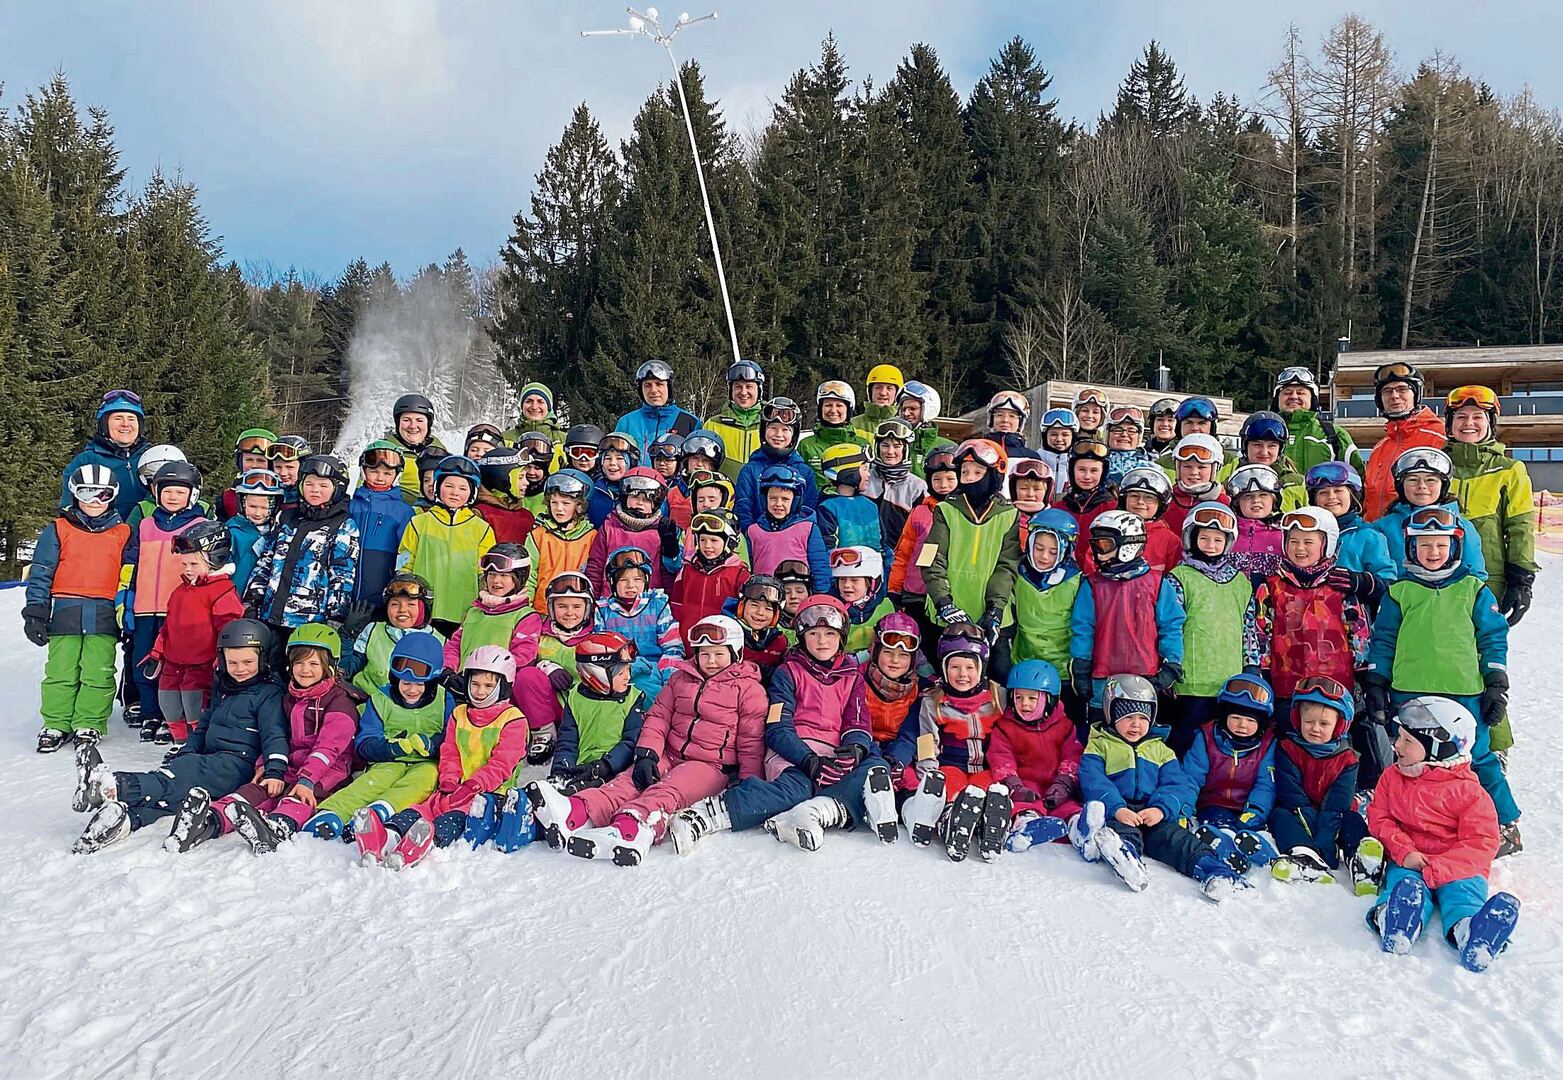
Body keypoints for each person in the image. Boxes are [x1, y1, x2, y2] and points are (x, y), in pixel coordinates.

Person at [668, 595, 895, 854]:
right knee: (797, 788)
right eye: (814, 634)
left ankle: (816, 812)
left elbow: (858, 720)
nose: (822, 641)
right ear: (802, 636)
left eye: (830, 634)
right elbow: (777, 728)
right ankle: (706, 815)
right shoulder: (788, 673)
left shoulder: (851, 677)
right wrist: (808, 760)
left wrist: (854, 749)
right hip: (794, 754)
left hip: (832, 753)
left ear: (841, 637)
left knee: (875, 766)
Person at [534, 616, 766, 865]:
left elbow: (751, 743)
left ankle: (633, 828)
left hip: (710, 765)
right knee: (627, 781)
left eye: (718, 654)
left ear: (736, 653)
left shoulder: (749, 690)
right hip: (670, 752)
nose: (710, 661)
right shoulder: (680, 679)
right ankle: (578, 812)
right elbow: (658, 718)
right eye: (704, 653)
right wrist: (647, 754)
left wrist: (748, 784)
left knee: (666, 790)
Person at [1362, 506, 1521, 854]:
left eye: (1440, 545)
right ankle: (1411, 823)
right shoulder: (1400, 592)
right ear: (1410, 548)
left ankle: (1504, 823)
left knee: (1476, 758)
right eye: (1423, 545)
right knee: (1409, 760)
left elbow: (1493, 637)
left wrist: (1496, 681)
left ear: (1455, 547)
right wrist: (1376, 681)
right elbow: (1384, 639)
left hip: (1464, 693)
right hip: (1410, 691)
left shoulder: (1473, 589)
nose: (1432, 553)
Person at [70, 619, 287, 854]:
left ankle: (112, 786)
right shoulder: (225, 687)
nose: (240, 669)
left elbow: (275, 734)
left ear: (263, 659)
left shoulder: (268, 694)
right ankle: (125, 820)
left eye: (247, 662)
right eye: (232, 662)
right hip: (209, 759)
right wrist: (187, 750)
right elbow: (203, 727)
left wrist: (275, 771)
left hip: (236, 766)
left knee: (173, 778)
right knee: (172, 794)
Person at [1366, 697, 1519, 973]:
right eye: (1398, 737)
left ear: (1438, 748)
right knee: (1403, 886)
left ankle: (1472, 932)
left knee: (1464, 894)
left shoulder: (1470, 793)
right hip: (1411, 858)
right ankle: (1394, 920)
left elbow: (1481, 843)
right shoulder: (1391, 777)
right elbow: (1380, 817)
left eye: (1407, 741)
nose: (1397, 745)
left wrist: (1440, 869)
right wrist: (1404, 852)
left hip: (1457, 865)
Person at [1073, 675, 1248, 900]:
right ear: (1111, 714)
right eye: (1127, 717)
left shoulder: (1161, 750)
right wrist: (1117, 808)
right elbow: (1093, 780)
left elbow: (1177, 784)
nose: (1136, 724)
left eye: (1142, 718)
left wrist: (1161, 809)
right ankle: (1126, 858)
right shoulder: (1099, 745)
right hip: (1119, 812)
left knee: (1179, 841)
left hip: (1152, 813)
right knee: (1123, 833)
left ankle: (1213, 871)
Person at [354, 646, 529, 869]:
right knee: (422, 809)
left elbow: (503, 763)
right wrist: (449, 779)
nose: (480, 692)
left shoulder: (513, 719)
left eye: (488, 686)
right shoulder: (460, 713)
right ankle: (388, 836)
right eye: (475, 684)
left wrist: (474, 785)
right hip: (452, 788)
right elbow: (450, 750)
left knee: (454, 817)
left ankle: (425, 842)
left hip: (489, 794)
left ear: (503, 687)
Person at [197, 623, 359, 854]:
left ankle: (278, 825)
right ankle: (213, 819)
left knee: (299, 797)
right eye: (299, 663)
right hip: (292, 762)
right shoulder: (289, 698)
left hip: (327, 770)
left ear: (330, 666)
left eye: (314, 664)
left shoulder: (340, 703)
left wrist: (307, 781)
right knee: (258, 789)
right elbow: (277, 736)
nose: (305, 670)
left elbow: (329, 748)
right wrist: (266, 765)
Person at [1445, 385, 1539, 759]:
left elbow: (1519, 525)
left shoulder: (1509, 469)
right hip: (1440, 576)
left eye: (1477, 418)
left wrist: (1521, 577)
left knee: (1487, 658)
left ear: (1490, 424)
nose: (1469, 424)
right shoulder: (1436, 463)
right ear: (1450, 423)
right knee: (1447, 655)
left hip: (1489, 580)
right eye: (1461, 418)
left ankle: (1492, 745)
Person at [25, 464, 132, 751]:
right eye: (87, 493)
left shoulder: (123, 533)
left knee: (98, 669)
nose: (95, 501)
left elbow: (130, 576)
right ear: (74, 494)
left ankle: (89, 721)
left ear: (113, 496)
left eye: (103, 494)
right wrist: (35, 610)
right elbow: (41, 571)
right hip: (65, 608)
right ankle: (57, 722)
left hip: (104, 609)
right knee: (62, 669)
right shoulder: (58, 530)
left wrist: (128, 611)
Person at [304, 632, 449, 840]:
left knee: (423, 780)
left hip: (427, 762)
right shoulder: (382, 699)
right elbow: (364, 743)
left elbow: (452, 736)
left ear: (432, 681)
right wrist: (391, 748)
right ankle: (332, 813)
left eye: (419, 684)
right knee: (375, 780)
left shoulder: (445, 700)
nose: (411, 690)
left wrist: (433, 745)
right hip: (388, 760)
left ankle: (379, 811)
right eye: (405, 683)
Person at [897, 625, 1012, 863]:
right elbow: (927, 742)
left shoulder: (998, 697)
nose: (962, 674)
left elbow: (1011, 736)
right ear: (944, 668)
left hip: (985, 768)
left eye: (970, 667)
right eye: (954, 667)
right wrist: (927, 777)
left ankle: (990, 825)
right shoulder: (933, 701)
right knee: (951, 787)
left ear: (981, 669)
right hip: (950, 766)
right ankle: (950, 819)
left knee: (990, 788)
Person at [1246, 508, 1372, 724]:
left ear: (1327, 544)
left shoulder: (1340, 587)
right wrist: (1261, 671)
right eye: (1293, 541)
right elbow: (1260, 632)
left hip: (1334, 689)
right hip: (1286, 687)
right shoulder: (1272, 587)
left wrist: (1363, 675)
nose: (1299, 548)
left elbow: (1359, 635)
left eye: (1308, 542)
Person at [1268, 676, 1385, 895]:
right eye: (1309, 722)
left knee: (1353, 819)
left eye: (1324, 724)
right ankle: (1303, 853)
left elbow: (1338, 802)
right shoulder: (1288, 749)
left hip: (1334, 815)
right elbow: (1290, 792)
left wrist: (1327, 841)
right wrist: (1312, 830)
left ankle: (1361, 859)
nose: (1315, 729)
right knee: (1280, 816)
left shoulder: (1348, 759)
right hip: (1299, 811)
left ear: (1338, 726)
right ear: (1298, 720)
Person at [443, 544, 559, 763]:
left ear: (519, 579)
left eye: (505, 576)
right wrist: (449, 670)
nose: (496, 582)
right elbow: (454, 644)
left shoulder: (526, 616)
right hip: (466, 686)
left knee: (528, 676)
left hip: (499, 688)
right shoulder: (475, 612)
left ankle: (540, 730)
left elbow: (524, 654)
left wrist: (489, 673)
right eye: (492, 575)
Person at [1068, 511, 1185, 722]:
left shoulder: (1156, 583)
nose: (1097, 551)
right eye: (1095, 544)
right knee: (1101, 734)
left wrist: (1171, 663)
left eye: (1104, 545)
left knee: (1138, 730)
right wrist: (1081, 664)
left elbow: (1171, 626)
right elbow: (1083, 628)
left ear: (1127, 546)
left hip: (1145, 677)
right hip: (1102, 678)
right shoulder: (1093, 584)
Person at [121, 461, 207, 737]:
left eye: (180, 492)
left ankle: (176, 718)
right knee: (144, 661)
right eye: (166, 490)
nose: (172, 496)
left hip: (180, 611)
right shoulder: (145, 526)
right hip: (145, 606)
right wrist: (126, 599)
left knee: (176, 666)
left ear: (192, 495)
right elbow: (130, 565)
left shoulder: (199, 526)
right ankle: (150, 713)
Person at [142, 521, 245, 749]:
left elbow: (228, 629)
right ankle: (180, 742)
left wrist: (225, 657)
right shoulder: (180, 591)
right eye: (184, 563)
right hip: (173, 661)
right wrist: (157, 654)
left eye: (194, 564)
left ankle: (196, 742)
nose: (187, 569)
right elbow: (167, 628)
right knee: (168, 702)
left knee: (193, 703)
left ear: (214, 559)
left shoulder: (221, 591)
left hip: (201, 663)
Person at [1165, 502, 1253, 757]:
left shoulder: (1240, 581)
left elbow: (1248, 628)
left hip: (1229, 681)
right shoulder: (1179, 577)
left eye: (1218, 539)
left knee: (1220, 744)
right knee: (1185, 740)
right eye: (1204, 538)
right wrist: (1169, 664)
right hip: (1190, 682)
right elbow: (1169, 625)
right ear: (1192, 538)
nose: (1211, 545)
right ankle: (1178, 790)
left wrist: (1251, 665)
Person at [244, 455, 360, 637]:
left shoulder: (343, 525)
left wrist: (336, 616)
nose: (315, 490)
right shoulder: (287, 518)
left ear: (337, 489)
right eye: (309, 484)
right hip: (269, 615)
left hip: (308, 622)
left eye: (323, 486)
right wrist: (252, 600)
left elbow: (342, 574)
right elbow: (267, 561)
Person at [922, 439, 1021, 651]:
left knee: (996, 673)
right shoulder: (945, 511)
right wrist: (943, 602)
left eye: (978, 473)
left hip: (990, 614)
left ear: (994, 475)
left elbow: (1006, 566)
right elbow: (930, 559)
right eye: (965, 473)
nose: (970, 479)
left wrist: (995, 609)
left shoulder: (1009, 515)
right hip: (946, 613)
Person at [1179, 673, 1280, 872]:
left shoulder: (1267, 746)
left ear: (1261, 723)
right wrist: (1183, 810)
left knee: (1252, 827)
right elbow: (1190, 778)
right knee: (1217, 819)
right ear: (1224, 717)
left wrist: (1255, 812)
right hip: (1213, 803)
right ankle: (1222, 842)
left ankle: (1262, 851)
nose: (1243, 725)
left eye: (1250, 721)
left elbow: (1266, 785)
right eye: (1236, 718)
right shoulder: (1206, 739)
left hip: (1248, 807)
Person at [989, 660, 1084, 853]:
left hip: (1056, 783)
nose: (1024, 704)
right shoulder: (1005, 727)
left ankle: (1079, 829)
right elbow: (1001, 759)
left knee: (1070, 806)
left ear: (1049, 700)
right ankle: (1025, 826)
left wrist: (1064, 784)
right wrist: (1015, 786)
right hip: (1025, 784)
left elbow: (1072, 756)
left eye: (1032, 699)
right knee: (1025, 804)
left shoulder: (1064, 726)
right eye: (1019, 698)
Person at [395, 455, 495, 634]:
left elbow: (484, 574)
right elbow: (404, 565)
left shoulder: (482, 529)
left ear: (472, 493)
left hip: (464, 612)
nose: (455, 492)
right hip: (424, 609)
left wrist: (481, 608)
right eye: (449, 486)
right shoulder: (419, 523)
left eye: (463, 488)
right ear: (437, 487)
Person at [543, 632, 648, 800]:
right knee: (557, 795)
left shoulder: (633, 699)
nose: (628, 677)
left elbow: (631, 742)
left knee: (589, 797)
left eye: (629, 670)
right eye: (620, 673)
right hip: (582, 770)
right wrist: (560, 771)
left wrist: (605, 765)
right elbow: (568, 741)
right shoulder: (575, 699)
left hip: (615, 771)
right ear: (596, 674)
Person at [1371, 447, 1486, 582]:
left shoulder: (1463, 527)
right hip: (1400, 599)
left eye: (1430, 480)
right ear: (1401, 486)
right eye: (1413, 480)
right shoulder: (1382, 528)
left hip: (1449, 600)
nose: (1422, 486)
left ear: (1442, 485)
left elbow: (1475, 575)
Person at [1009, 510, 1083, 709]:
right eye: (1038, 548)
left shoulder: (1077, 581)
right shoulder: (1018, 575)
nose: (1043, 556)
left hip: (1063, 672)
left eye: (1053, 552)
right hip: (1023, 665)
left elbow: (1083, 627)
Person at [887, 446, 957, 648]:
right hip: (916, 592)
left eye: (950, 479)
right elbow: (903, 553)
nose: (943, 485)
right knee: (921, 643)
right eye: (937, 480)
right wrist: (894, 588)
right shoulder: (920, 512)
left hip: (947, 592)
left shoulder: (962, 515)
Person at [593, 548, 683, 700]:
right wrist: (622, 669)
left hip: (654, 671)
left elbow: (672, 647)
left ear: (646, 581)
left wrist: (669, 679)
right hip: (617, 673)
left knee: (655, 699)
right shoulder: (603, 611)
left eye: (637, 579)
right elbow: (600, 650)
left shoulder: (658, 605)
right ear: (613, 582)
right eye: (623, 580)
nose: (631, 586)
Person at [1362, 361, 1445, 521]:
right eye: (1387, 391)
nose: (1394, 396)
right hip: (1377, 536)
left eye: (1402, 389)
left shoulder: (1440, 437)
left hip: (1417, 536)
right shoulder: (1380, 447)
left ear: (1416, 394)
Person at [584, 467, 680, 595]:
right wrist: (592, 601)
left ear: (655, 503)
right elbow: (595, 568)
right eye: (634, 497)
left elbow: (667, 574)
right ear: (624, 498)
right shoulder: (609, 528)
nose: (640, 503)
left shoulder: (662, 530)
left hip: (650, 605)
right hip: (610, 603)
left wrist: (668, 603)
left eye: (647, 500)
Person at [345, 572, 445, 695]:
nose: (402, 609)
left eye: (411, 604)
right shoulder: (373, 631)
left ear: (424, 609)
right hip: (368, 702)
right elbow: (346, 671)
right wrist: (348, 634)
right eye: (395, 604)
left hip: (414, 707)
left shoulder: (439, 641)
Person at [60, 389, 149, 523]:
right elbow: (69, 509)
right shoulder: (86, 461)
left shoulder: (152, 458)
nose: (125, 424)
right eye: (118, 418)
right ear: (104, 424)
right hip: (106, 537)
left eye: (131, 419)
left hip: (149, 539)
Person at [1306, 462, 1395, 591]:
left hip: (1351, 606)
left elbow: (1388, 582)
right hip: (1312, 606)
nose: (1331, 496)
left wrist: (1363, 582)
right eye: (1323, 492)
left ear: (1352, 496)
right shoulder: (1306, 533)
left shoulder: (1368, 536)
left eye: (1338, 491)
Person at [735, 397, 818, 533]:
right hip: (758, 543)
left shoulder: (805, 472)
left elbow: (809, 512)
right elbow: (743, 510)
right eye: (773, 428)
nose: (778, 434)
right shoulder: (750, 470)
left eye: (785, 430)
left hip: (794, 544)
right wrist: (752, 537)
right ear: (763, 431)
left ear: (794, 434)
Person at [744, 465, 830, 592]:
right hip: (765, 597)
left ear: (795, 501)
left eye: (785, 499)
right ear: (764, 499)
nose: (778, 504)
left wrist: (820, 595)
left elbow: (819, 566)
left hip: (796, 596)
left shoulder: (808, 528)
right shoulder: (753, 531)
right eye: (773, 498)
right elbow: (747, 568)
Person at [350, 441, 416, 606]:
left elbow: (406, 554)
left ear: (396, 475)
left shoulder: (403, 511)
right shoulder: (350, 505)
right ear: (364, 471)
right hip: (344, 594)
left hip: (380, 596)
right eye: (374, 471)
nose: (380, 478)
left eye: (387, 473)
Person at [524, 469, 597, 612]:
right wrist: (527, 611)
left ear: (580, 506)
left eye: (566, 503)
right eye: (554, 503)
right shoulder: (538, 536)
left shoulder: (591, 537)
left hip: (576, 613)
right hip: (542, 612)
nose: (559, 509)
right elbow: (529, 577)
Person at [670, 511, 749, 643]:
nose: (707, 546)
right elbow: (676, 607)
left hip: (720, 647)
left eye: (714, 540)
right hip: (687, 643)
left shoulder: (740, 574)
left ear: (729, 542)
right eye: (702, 540)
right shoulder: (687, 570)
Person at [1271, 366, 1362, 476]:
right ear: (1277, 399)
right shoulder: (1265, 433)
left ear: (1312, 399)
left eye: (1301, 393)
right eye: (1287, 393)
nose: (1294, 396)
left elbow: (1358, 477)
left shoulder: (1334, 434)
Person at [863, 614, 925, 774]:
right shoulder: (856, 681)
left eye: (903, 655)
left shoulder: (920, 690)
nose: (895, 660)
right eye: (888, 652)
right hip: (863, 748)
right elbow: (852, 725)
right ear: (876, 652)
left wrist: (897, 759)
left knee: (910, 781)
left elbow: (914, 734)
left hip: (899, 752)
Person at [616, 360, 700, 465]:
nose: (653, 390)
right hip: (635, 480)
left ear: (669, 387)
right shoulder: (627, 422)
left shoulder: (689, 422)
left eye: (659, 384)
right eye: (647, 385)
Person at [1221, 411, 1306, 511]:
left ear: (1280, 449)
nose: (1264, 452)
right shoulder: (1227, 474)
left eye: (1272, 446)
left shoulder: (1296, 482)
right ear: (1245, 446)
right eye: (1257, 445)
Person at [1053, 440, 1116, 573]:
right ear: (1072, 470)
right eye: (1081, 470)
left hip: (1099, 577)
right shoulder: (1059, 508)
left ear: (1103, 472)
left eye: (1094, 471)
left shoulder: (1112, 509)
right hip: (1064, 577)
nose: (1087, 476)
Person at [798, 380, 870, 488]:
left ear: (848, 409)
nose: (833, 410)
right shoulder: (806, 445)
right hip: (816, 504)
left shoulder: (861, 445)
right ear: (820, 408)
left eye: (839, 405)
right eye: (828, 405)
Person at [703, 360, 766, 481]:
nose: (743, 392)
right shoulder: (713, 425)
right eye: (738, 387)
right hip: (723, 495)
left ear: (759, 390)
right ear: (730, 391)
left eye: (749, 387)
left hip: (762, 495)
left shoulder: (770, 424)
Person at [816, 443, 883, 555]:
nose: (869, 475)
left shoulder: (870, 505)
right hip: (843, 569)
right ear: (850, 472)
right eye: (865, 469)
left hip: (874, 570)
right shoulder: (828, 508)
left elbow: (883, 545)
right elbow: (826, 548)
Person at [226, 468, 283, 594]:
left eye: (265, 508)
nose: (258, 513)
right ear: (242, 503)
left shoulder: (278, 534)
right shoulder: (232, 532)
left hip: (263, 601)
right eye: (252, 506)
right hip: (235, 597)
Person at [831, 546, 893, 658]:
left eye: (854, 580)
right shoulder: (830, 609)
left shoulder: (886, 608)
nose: (846, 585)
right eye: (842, 579)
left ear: (872, 583)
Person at [386, 393, 448, 505]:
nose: (413, 426)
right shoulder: (384, 452)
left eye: (419, 420)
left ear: (428, 424)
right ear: (398, 423)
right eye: (406, 420)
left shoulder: (440, 454)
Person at [1225, 464, 1284, 580]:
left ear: (1274, 500)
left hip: (1271, 595)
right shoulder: (1227, 533)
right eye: (1248, 496)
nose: (1256, 500)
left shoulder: (1284, 535)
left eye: (1263, 495)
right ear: (1237, 503)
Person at [1162, 434, 1227, 539]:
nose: (1194, 472)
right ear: (1178, 468)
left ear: (1214, 470)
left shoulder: (1224, 503)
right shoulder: (1166, 501)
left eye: (1202, 467)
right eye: (1187, 466)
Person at [1117, 466, 1180, 572]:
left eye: (1149, 497)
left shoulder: (1170, 540)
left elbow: (1173, 578)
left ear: (1160, 504)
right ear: (1124, 499)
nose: (1140, 502)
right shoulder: (1109, 530)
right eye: (1134, 496)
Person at [473, 446, 535, 544]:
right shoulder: (480, 514)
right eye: (520, 477)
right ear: (501, 478)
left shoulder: (527, 516)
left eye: (525, 477)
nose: (526, 482)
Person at [733, 575, 790, 679]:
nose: (760, 613)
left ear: (776, 615)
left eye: (768, 609)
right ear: (742, 606)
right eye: (754, 605)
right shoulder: (728, 635)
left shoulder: (779, 643)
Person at [215, 429, 277, 520]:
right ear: (240, 462)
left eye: (261, 461)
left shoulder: (281, 494)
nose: (254, 466)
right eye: (249, 460)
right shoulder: (227, 497)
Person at [897, 381, 950, 472]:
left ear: (928, 409)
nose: (906, 413)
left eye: (913, 409)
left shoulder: (947, 447)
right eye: (903, 409)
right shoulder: (894, 446)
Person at [588, 431, 638, 527]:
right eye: (607, 458)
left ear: (632, 462)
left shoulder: (639, 494)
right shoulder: (593, 491)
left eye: (619, 458)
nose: (612, 463)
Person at [503, 381, 567, 447]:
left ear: (549, 407)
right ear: (522, 406)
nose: (534, 407)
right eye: (529, 401)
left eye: (540, 402)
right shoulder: (505, 438)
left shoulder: (564, 439)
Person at [1104, 406, 1156, 485]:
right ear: (1108, 434)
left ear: (1139, 436)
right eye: (1118, 430)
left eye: (1131, 431)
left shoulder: (1151, 466)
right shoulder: (1097, 462)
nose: (1124, 434)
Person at [852, 363, 905, 439]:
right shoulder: (852, 425)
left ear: (897, 394)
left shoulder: (904, 427)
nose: (883, 393)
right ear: (870, 392)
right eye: (878, 387)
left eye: (889, 388)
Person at [1037, 408, 1078, 493]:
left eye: (1065, 434)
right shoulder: (1035, 461)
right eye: (1053, 434)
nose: (1059, 439)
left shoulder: (1078, 465)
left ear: (1072, 437)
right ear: (1045, 437)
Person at [268, 436, 312, 512]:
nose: (283, 473)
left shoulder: (314, 497)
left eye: (289, 467)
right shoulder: (267, 494)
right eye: (278, 467)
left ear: (303, 468)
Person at [984, 390, 1032, 454]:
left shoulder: (1030, 457)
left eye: (1012, 416)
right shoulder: (977, 451)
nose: (1005, 420)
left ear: (1020, 422)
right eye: (1000, 415)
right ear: (992, 419)